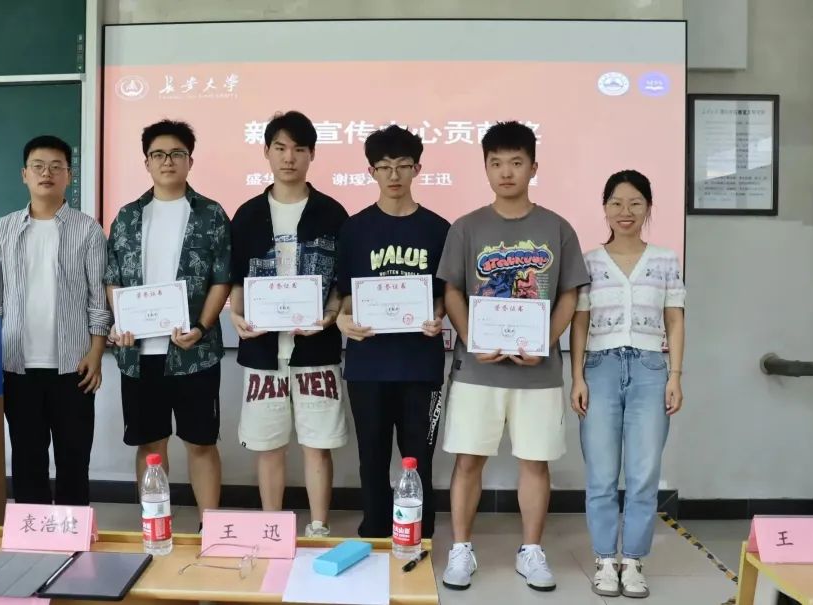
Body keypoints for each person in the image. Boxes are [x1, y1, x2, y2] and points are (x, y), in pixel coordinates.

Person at [437, 121, 589, 592]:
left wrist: (544, 341)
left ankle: (532, 550)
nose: (506, 172)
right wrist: (472, 338)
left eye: (516, 162)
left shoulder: (557, 228)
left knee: (535, 463)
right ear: (485, 167)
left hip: (538, 374)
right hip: (477, 371)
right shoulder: (466, 227)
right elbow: (452, 290)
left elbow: (569, 294)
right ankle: (461, 549)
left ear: (533, 167)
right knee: (468, 461)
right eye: (497, 163)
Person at [229, 110, 348, 537]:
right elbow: (235, 278)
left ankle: (318, 525)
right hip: (262, 350)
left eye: (299, 149)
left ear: (312, 154)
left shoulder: (332, 213)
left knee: (317, 445)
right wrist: (236, 314)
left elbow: (341, 283)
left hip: (316, 348)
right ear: (266, 152)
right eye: (280, 148)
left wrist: (330, 318)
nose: (289, 157)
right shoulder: (247, 215)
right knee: (268, 445)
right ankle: (271, 527)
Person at [104, 119, 231, 518]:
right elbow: (113, 278)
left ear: (190, 160)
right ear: (147, 162)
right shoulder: (127, 217)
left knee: (201, 443)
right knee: (150, 445)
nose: (168, 161)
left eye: (177, 153)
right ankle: (154, 523)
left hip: (195, 352)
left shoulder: (211, 214)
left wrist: (202, 327)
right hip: (139, 356)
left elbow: (222, 278)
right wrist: (122, 322)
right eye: (158, 154)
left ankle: (210, 527)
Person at [570, 169, 685, 598]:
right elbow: (579, 324)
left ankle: (633, 560)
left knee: (643, 473)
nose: (626, 211)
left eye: (636, 203)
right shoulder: (589, 261)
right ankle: (605, 559)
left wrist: (675, 376)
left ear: (648, 208)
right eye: (616, 203)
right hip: (599, 368)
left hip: (651, 370)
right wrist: (577, 376)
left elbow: (675, 320)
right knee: (601, 473)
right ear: (604, 208)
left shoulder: (665, 260)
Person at [0, 134, 110, 506]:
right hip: (17, 366)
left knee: (74, 458)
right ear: (25, 174)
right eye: (38, 166)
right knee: (26, 459)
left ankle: (72, 530)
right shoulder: (2, 230)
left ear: (69, 175)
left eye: (56, 166)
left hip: (75, 366)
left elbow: (98, 299)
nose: (46, 173)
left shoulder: (87, 229)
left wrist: (96, 353)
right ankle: (32, 532)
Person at [335, 125, 449, 540]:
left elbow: (445, 295)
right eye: (384, 167)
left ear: (417, 168)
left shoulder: (439, 229)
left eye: (403, 165)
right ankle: (375, 530)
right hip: (368, 365)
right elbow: (343, 296)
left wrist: (438, 315)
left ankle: (418, 534)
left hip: (420, 364)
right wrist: (342, 319)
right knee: (372, 457)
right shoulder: (354, 229)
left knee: (418, 459)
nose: (394, 175)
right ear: (371, 172)